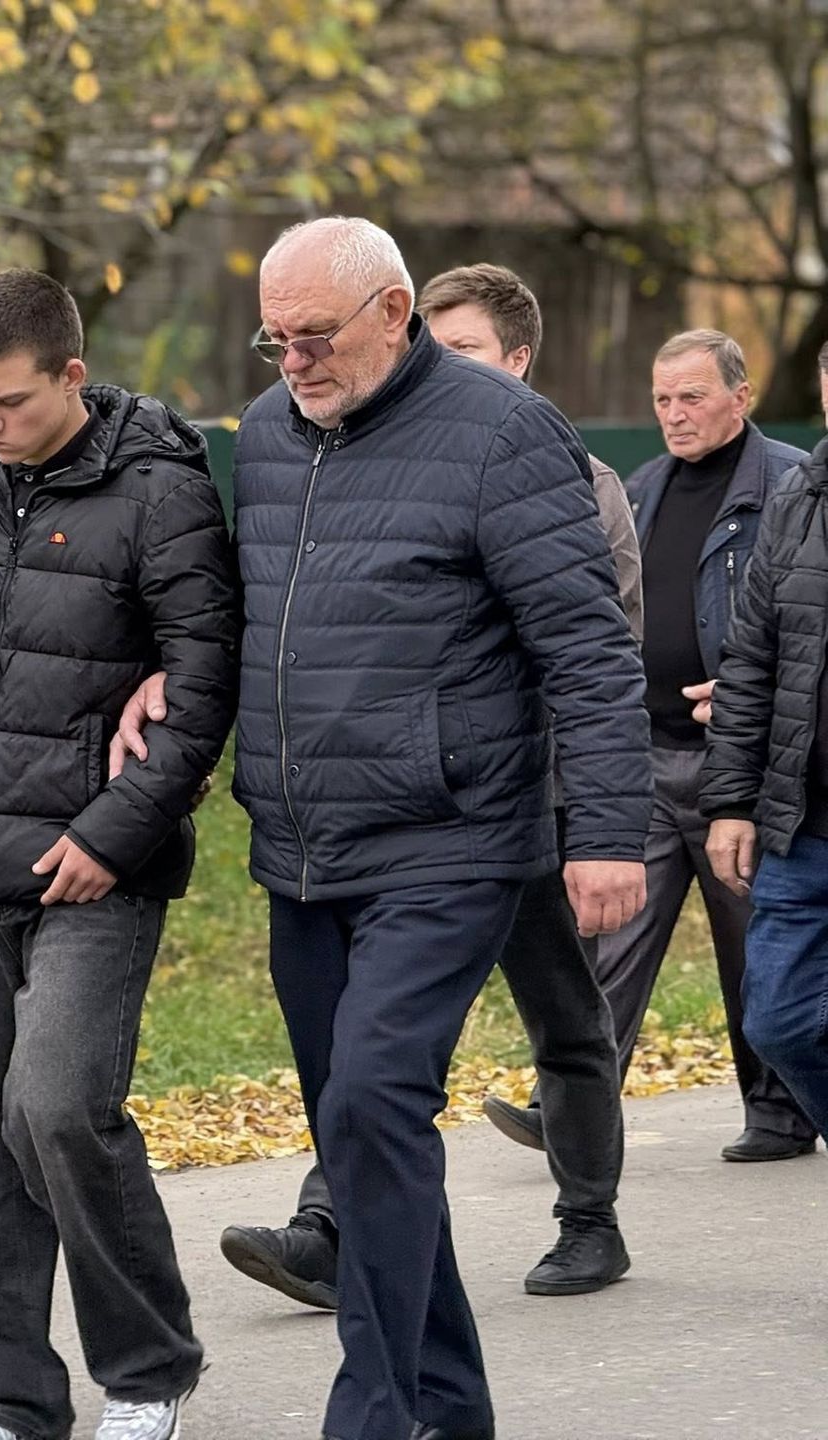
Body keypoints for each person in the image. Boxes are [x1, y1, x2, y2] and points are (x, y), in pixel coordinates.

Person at [224, 218, 650, 1440]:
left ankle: (373, 1412)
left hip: (452, 838)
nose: (293, 361)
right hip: (304, 852)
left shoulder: (504, 435)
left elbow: (586, 649)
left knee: (370, 1103)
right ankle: (453, 1409)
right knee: (362, 1138)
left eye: (316, 337)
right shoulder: (263, 439)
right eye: (276, 338)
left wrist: (610, 830)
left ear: (395, 313)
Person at [0, 268, 241, 1440]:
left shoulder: (162, 492)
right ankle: (4, 1401)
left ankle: (148, 1371)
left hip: (96, 869)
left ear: (72, 376)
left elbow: (201, 690)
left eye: (8, 403)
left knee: (53, 1110)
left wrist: (110, 835)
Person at [602, 329, 817, 1161]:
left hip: (747, 760)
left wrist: (749, 689)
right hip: (645, 751)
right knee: (613, 938)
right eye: (662, 399)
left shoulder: (792, 483)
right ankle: (575, 1104)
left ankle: (779, 1113)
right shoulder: (643, 485)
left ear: (741, 395)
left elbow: (803, 620)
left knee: (749, 945)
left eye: (692, 396)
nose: (674, 414)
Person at [702, 339, 828, 1137]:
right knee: (776, 1022)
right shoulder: (799, 498)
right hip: (802, 825)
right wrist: (730, 804)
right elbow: (749, 664)